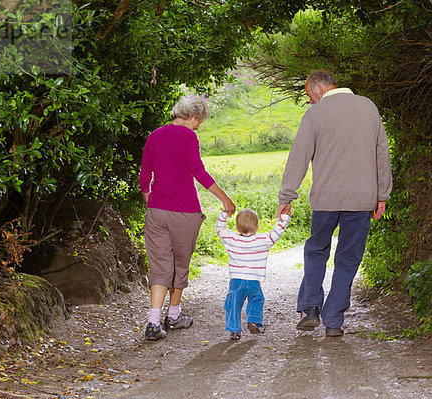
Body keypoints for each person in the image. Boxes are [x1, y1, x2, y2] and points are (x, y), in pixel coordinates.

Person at [277, 70, 392, 337]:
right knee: (348, 258)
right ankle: (334, 320)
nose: (309, 101)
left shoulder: (316, 114)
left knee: (316, 250)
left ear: (319, 88)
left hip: (326, 199)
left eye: (308, 95)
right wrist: (382, 194)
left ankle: (310, 307)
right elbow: (381, 154)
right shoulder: (368, 107)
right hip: (361, 198)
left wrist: (287, 196)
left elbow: (299, 157)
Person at [139, 94, 236, 341]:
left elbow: (144, 174)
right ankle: (173, 315)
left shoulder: (154, 135)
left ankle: (152, 322)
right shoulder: (188, 136)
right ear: (192, 116)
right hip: (185, 212)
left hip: (157, 212)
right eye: (198, 122)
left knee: (160, 265)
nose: (198, 127)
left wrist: (149, 196)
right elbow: (198, 171)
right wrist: (224, 198)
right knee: (180, 263)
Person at [216, 208, 290, 340]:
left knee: (233, 304)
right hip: (253, 282)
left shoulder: (231, 239)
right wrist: (284, 219)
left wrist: (223, 214)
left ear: (237, 228)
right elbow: (276, 233)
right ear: (257, 227)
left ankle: (234, 330)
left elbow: (220, 229)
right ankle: (253, 321)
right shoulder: (263, 240)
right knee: (257, 299)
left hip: (236, 282)